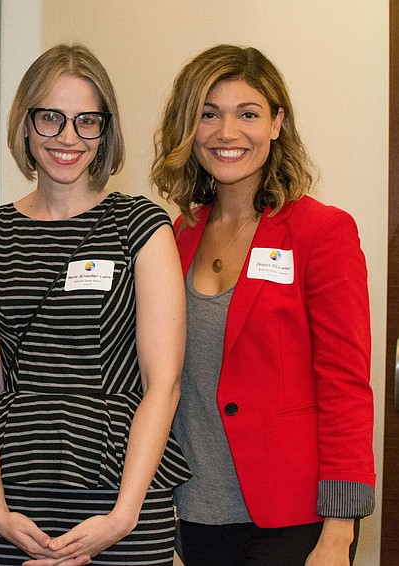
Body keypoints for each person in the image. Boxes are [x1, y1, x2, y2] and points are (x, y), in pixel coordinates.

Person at [0, 43, 190, 566]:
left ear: (105, 129)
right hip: (15, 493)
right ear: (26, 123)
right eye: (51, 118)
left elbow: (163, 382)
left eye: (87, 120)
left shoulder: (141, 225)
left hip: (122, 490)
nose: (68, 137)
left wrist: (125, 515)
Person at [151, 44, 375, 566]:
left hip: (294, 521)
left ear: (276, 122)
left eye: (247, 114)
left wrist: (338, 535)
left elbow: (345, 383)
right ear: (190, 128)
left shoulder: (321, 231)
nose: (228, 132)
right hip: (193, 515)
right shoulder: (178, 237)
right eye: (209, 114)